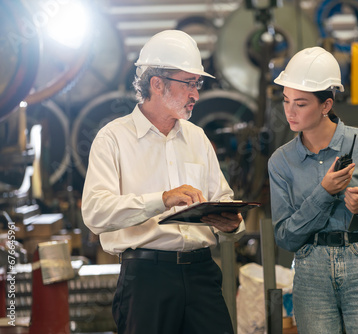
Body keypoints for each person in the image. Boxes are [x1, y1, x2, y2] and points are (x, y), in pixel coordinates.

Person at [81, 30, 245, 334]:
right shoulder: (113, 139)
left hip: (202, 275)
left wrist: (231, 223)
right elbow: (95, 212)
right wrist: (163, 199)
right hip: (146, 280)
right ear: (157, 84)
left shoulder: (196, 137)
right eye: (189, 84)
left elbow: (222, 197)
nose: (196, 94)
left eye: (197, 84)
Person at [268, 47, 358, 333]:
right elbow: (286, 237)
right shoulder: (282, 161)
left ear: (326, 105)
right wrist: (324, 193)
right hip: (311, 272)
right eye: (286, 101)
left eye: (300, 104)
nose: (289, 111)